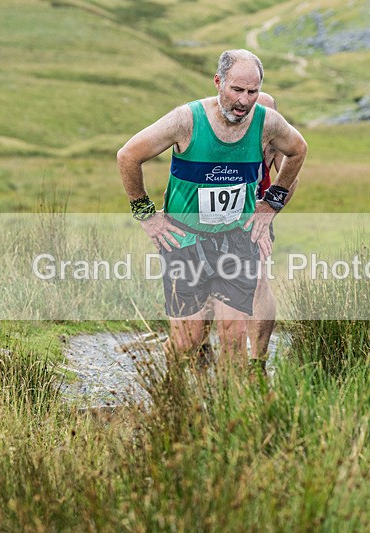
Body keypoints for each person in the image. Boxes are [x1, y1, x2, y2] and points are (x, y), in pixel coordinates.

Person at [118, 49, 307, 371]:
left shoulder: (267, 121)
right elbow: (128, 156)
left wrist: (269, 205)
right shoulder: (186, 120)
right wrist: (147, 215)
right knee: (187, 341)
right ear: (218, 82)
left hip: (237, 239)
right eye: (237, 90)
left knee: (233, 339)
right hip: (186, 240)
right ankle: (170, 397)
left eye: (253, 92)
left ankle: (236, 406)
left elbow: (298, 150)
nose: (245, 101)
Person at [198, 91, 296, 372]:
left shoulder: (274, 133)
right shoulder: (214, 127)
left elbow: (293, 172)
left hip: (254, 214)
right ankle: (204, 347)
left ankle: (257, 361)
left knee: (258, 280)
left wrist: (269, 209)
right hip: (209, 216)